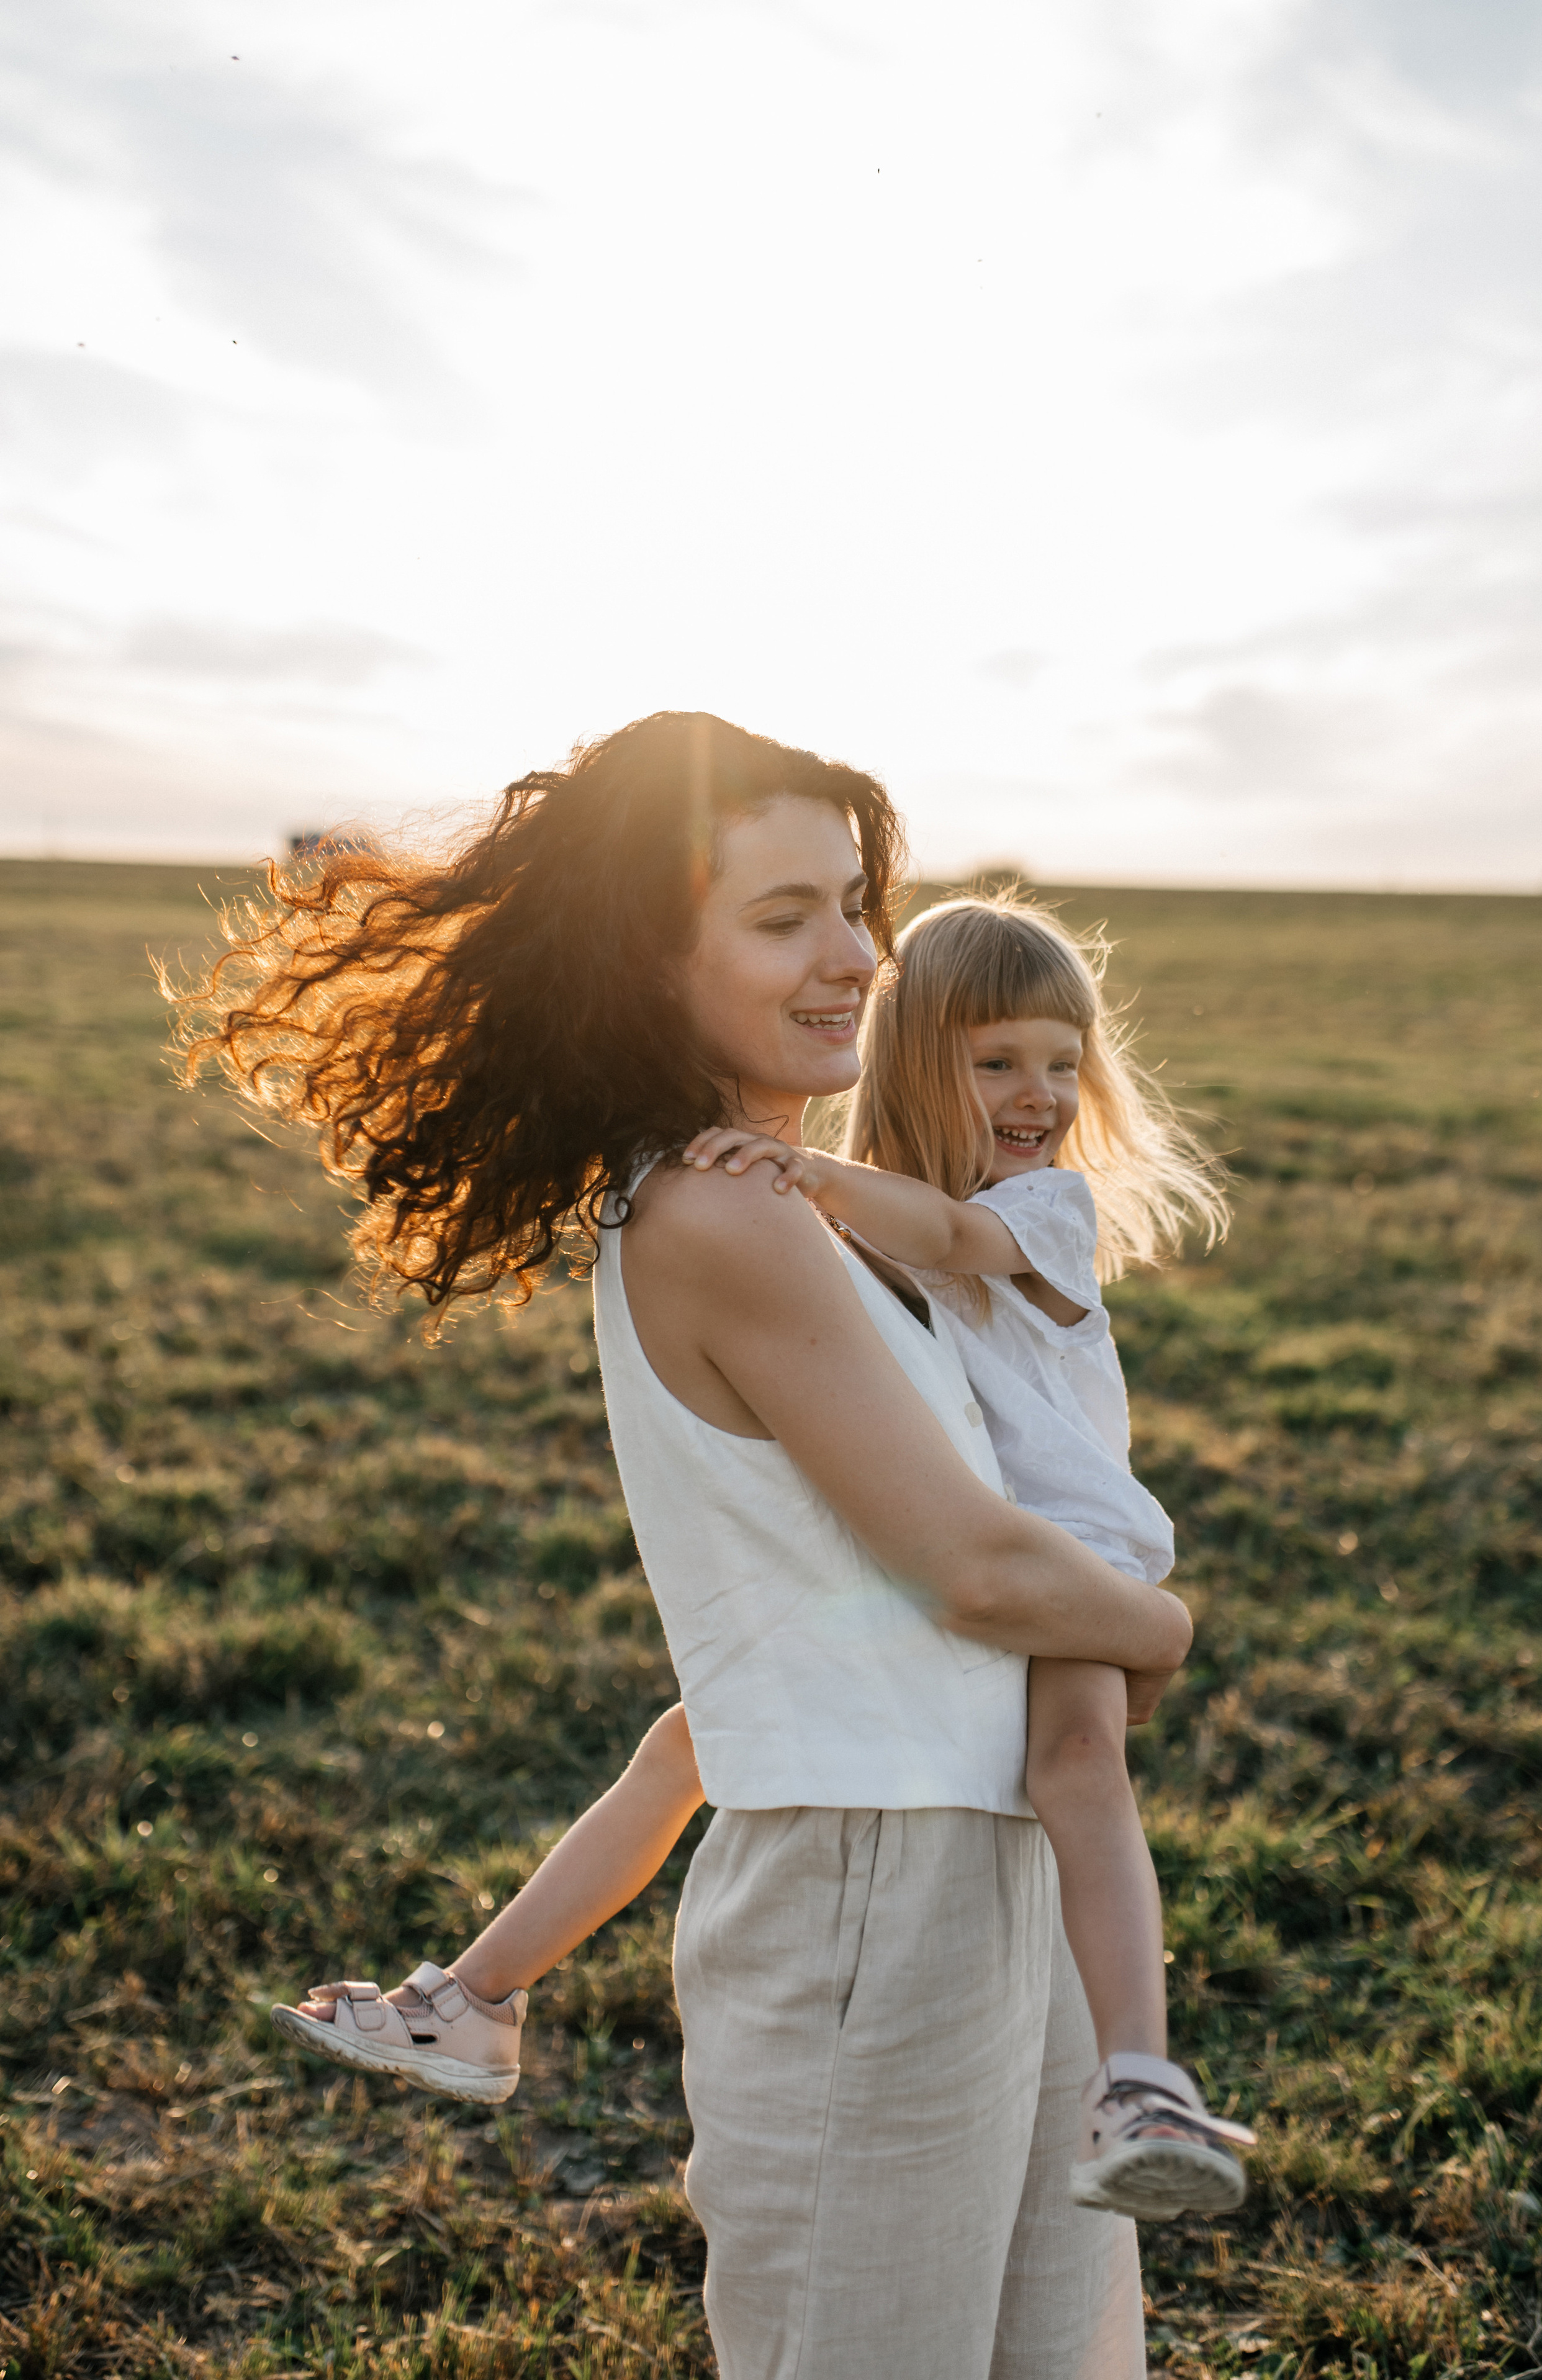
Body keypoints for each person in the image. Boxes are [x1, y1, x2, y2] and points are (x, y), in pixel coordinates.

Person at [176, 711, 1191, 2377]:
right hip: (879, 1883)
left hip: (983, 1847)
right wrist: (1161, 1632)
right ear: (652, 965)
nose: (855, 955)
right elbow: (986, 1574)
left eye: (854, 903)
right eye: (782, 917)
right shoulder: (721, 1213)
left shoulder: (798, 1202)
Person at [274, 890, 1254, 2227]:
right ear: (917, 1062)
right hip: (913, 1561)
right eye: (995, 1062)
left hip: (1060, 1553)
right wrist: (801, 1192)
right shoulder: (827, 1229)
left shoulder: (1039, 1211)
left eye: (1060, 1063)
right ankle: (477, 1999)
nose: (1039, 1094)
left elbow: (949, 1238)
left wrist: (803, 1174)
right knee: (690, 1742)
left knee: (1077, 1769)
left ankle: (1142, 2077)